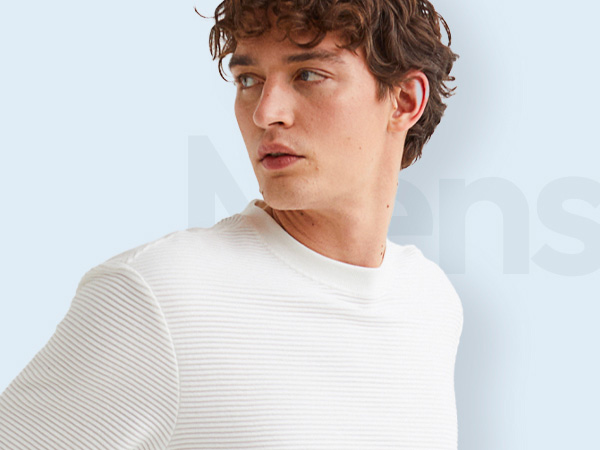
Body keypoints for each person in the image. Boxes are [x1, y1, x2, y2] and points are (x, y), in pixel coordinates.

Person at [0, 0, 463, 448]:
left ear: (405, 100)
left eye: (307, 75)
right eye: (248, 80)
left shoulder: (430, 305)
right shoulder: (157, 296)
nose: (266, 112)